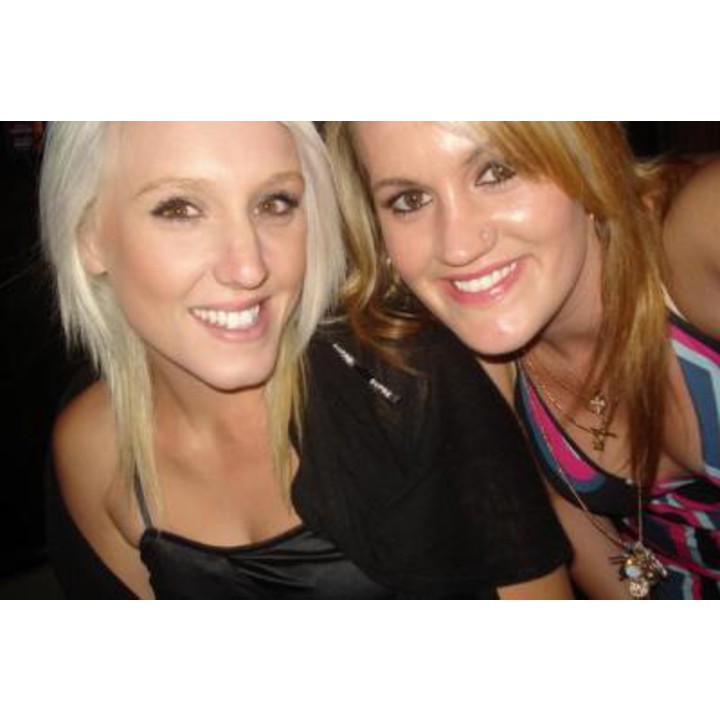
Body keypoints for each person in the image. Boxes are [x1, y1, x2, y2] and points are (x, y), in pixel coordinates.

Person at [43, 121, 572, 599]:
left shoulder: (408, 383)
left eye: (274, 203)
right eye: (180, 209)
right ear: (89, 236)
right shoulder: (93, 451)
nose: (248, 267)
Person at [325, 121, 720, 599]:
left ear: (584, 157)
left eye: (497, 172)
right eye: (410, 200)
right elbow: (569, 520)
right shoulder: (473, 362)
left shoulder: (696, 235)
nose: (458, 246)